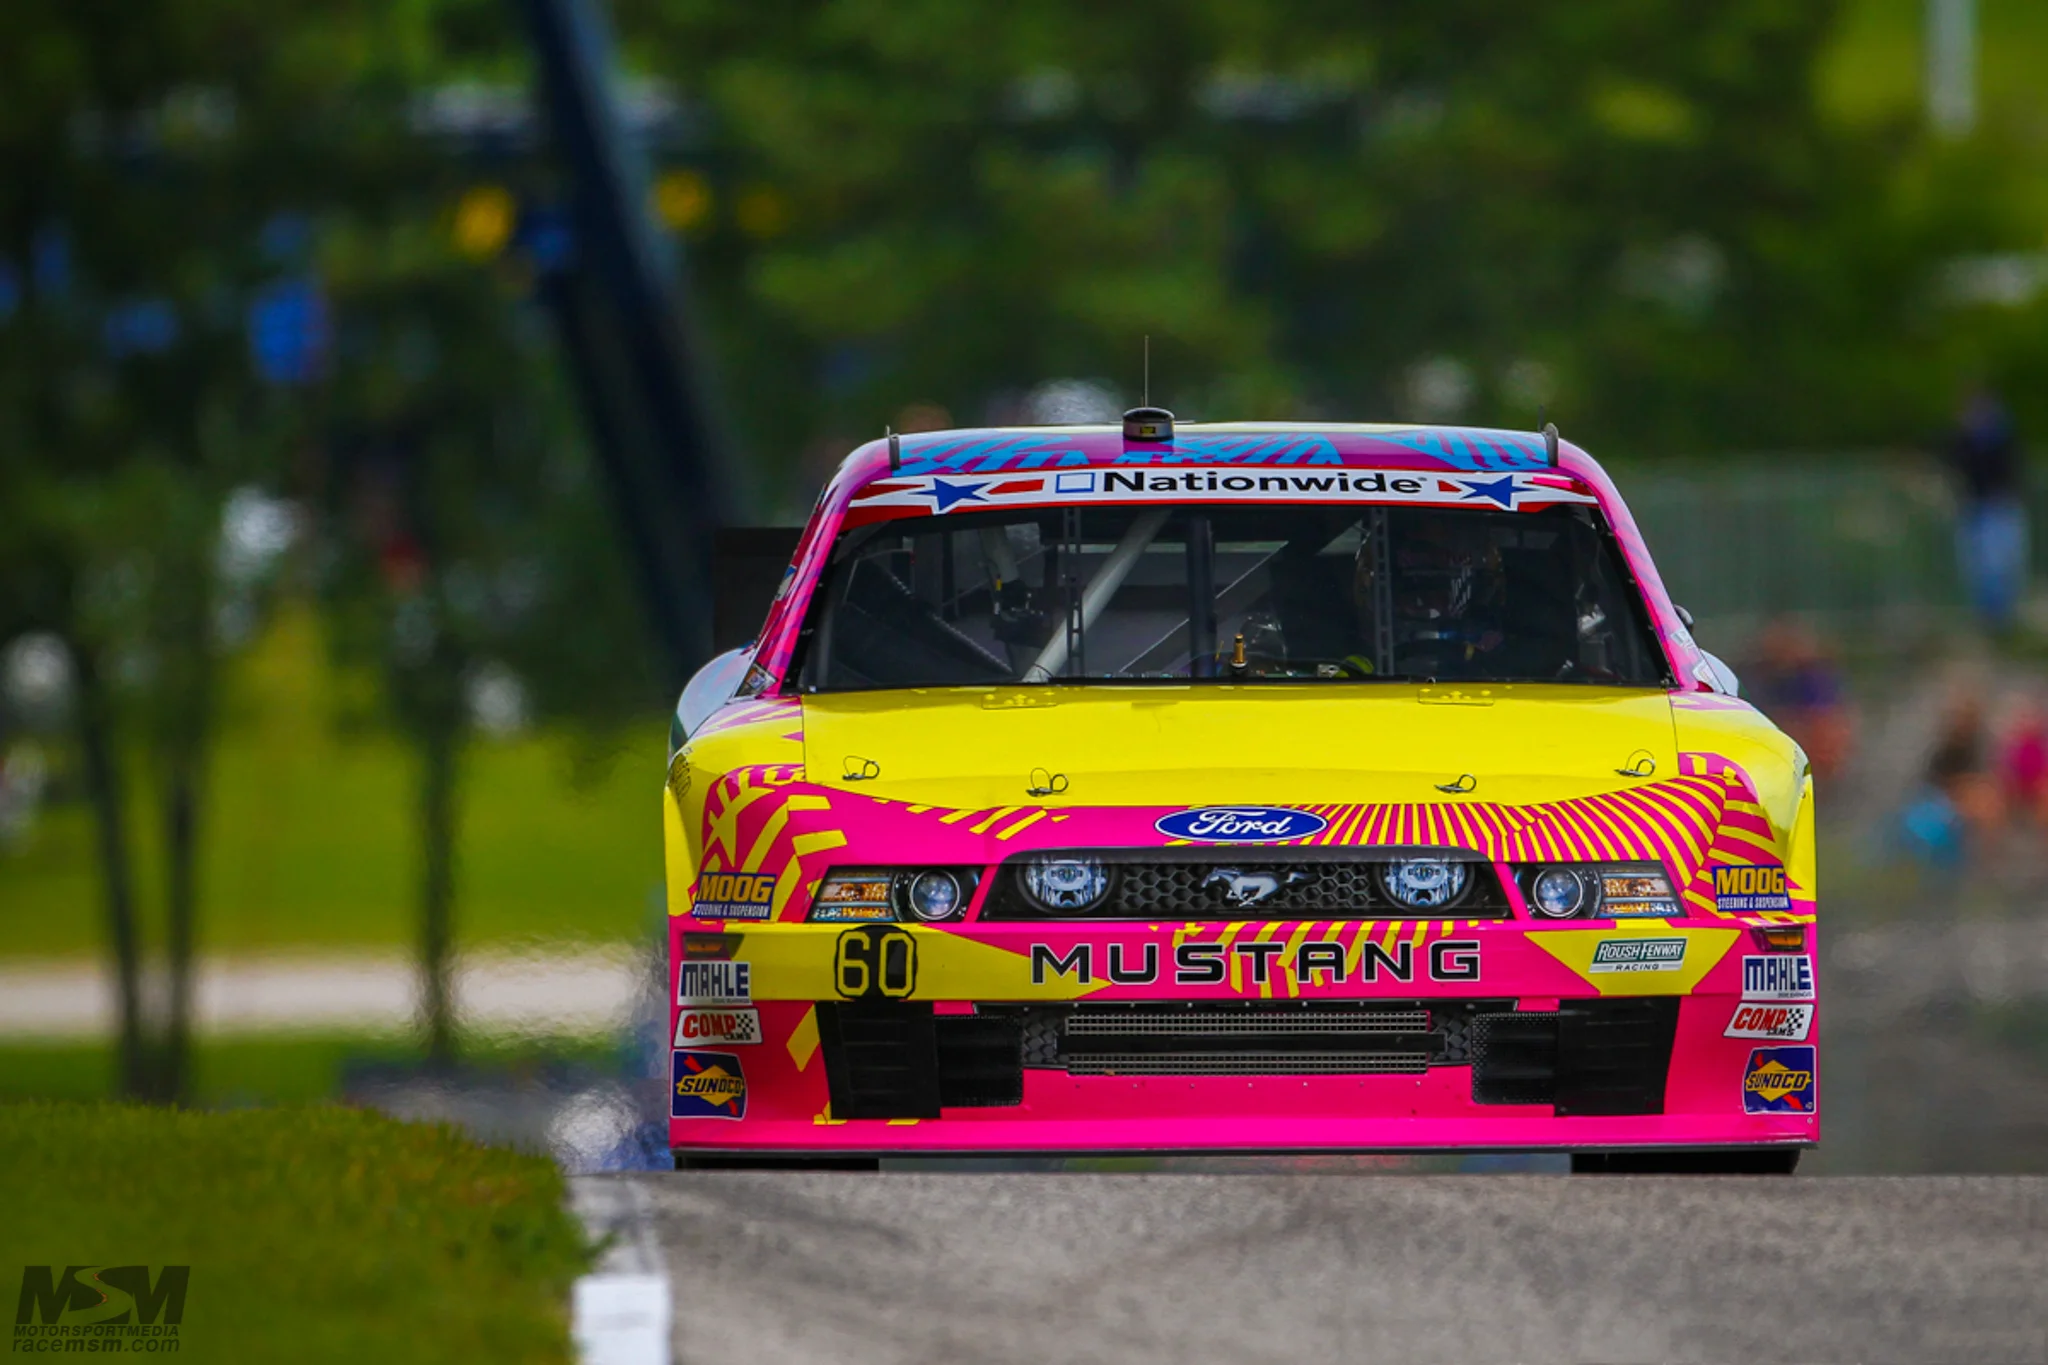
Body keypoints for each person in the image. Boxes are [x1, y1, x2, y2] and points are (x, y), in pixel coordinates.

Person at [1945, 387, 2028, 633]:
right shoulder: (1963, 441)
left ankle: (2001, 616)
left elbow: (2013, 471)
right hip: (1973, 506)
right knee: (1978, 565)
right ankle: (1989, 617)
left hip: (1999, 506)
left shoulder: (2003, 439)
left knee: (2000, 563)